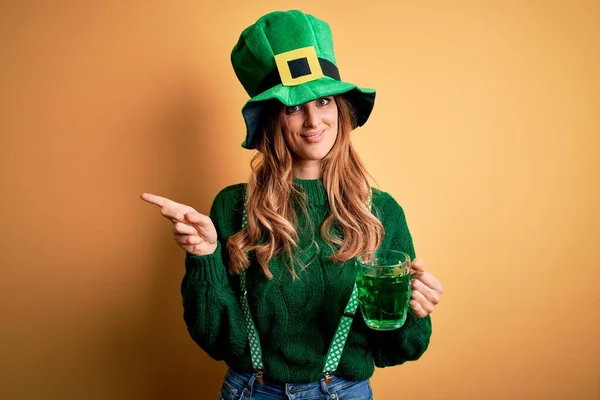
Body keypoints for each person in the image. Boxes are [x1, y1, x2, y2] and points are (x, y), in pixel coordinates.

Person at [141, 9, 443, 400]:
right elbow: (216, 340)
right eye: (293, 107)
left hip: (346, 393)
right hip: (253, 392)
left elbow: (398, 349)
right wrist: (205, 257)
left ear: (341, 110)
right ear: (271, 119)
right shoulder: (234, 207)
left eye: (323, 102)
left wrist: (412, 313)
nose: (313, 121)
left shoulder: (381, 211)